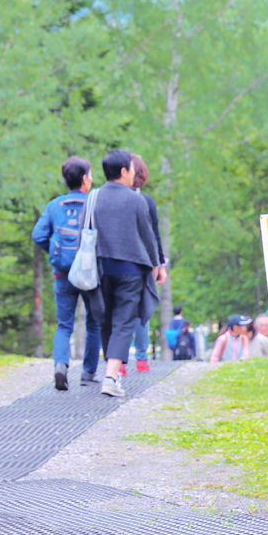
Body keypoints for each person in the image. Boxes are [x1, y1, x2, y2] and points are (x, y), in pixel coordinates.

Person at [94, 149, 162, 397]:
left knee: (106, 320)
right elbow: (147, 236)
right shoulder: (136, 200)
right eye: (131, 169)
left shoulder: (94, 198)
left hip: (101, 269)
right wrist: (156, 265)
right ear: (123, 171)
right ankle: (111, 376)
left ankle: (110, 371)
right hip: (131, 269)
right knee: (124, 322)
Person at [31, 156, 103, 390]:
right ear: (84, 179)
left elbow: (38, 235)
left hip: (62, 273)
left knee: (64, 325)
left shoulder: (55, 206)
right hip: (89, 273)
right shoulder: (94, 203)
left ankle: (60, 366)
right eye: (90, 174)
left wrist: (54, 253)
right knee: (93, 323)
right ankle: (89, 372)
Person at [128, 154, 168, 372]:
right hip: (144, 262)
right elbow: (154, 235)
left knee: (121, 311)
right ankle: (142, 359)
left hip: (120, 261)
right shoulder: (146, 201)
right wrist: (159, 264)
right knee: (142, 310)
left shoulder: (113, 200)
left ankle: (120, 360)